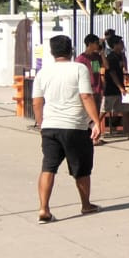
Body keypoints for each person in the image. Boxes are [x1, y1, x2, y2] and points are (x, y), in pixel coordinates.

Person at [30, 34, 105, 224]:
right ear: (71, 50)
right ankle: (86, 205)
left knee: (48, 167)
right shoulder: (79, 68)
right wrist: (96, 121)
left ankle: (43, 209)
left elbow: (37, 102)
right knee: (81, 168)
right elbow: (86, 96)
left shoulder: (42, 73)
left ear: (51, 52)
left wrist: (41, 124)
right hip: (75, 126)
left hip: (50, 126)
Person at [101, 34, 129, 137]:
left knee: (126, 110)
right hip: (111, 89)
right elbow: (112, 73)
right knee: (104, 111)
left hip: (120, 89)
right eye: (120, 43)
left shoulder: (120, 56)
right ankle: (92, 128)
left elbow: (123, 69)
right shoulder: (111, 57)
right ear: (115, 45)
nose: (123, 45)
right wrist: (120, 87)